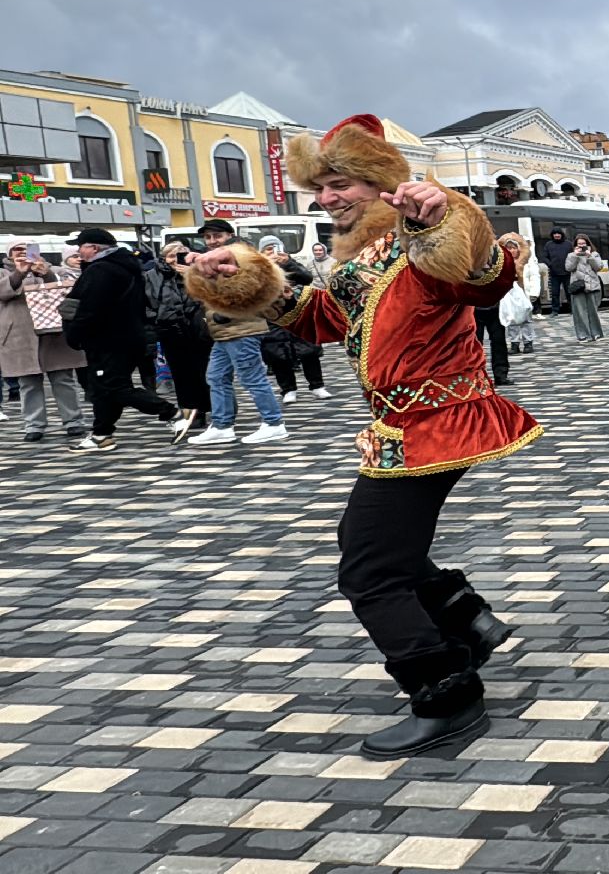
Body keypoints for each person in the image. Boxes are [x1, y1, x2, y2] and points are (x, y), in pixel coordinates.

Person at [187, 114, 540, 758]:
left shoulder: (418, 243)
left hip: (440, 425)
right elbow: (321, 321)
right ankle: (465, 619)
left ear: (381, 184)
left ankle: (445, 691)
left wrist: (443, 218)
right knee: (368, 544)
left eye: (339, 184)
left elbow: (482, 280)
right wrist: (241, 279)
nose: (326, 200)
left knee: (369, 569)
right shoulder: (361, 260)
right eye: (319, 189)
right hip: (402, 427)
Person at [64, 227, 180, 451]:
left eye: (81, 246)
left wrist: (74, 334)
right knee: (102, 389)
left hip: (108, 339)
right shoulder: (126, 266)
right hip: (127, 336)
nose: (79, 251)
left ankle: (172, 412)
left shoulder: (101, 271)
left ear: (94, 248)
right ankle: (101, 434)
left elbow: (90, 308)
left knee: (115, 387)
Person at [188, 242, 288, 446]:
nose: (212, 240)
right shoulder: (214, 261)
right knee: (216, 377)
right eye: (208, 236)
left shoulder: (244, 259)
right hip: (223, 332)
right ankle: (222, 425)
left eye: (217, 235)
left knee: (252, 378)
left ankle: (274, 422)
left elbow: (253, 290)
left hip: (243, 331)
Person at [0, 242, 87, 442]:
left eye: (26, 249)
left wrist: (45, 274)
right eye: (17, 250)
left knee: (63, 379)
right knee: (28, 383)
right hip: (19, 336)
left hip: (53, 332)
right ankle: (34, 425)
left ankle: (74, 422)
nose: (22, 253)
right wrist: (19, 274)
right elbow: (3, 293)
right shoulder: (3, 273)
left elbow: (65, 290)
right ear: (9, 254)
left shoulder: (53, 269)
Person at [147, 243, 213, 442]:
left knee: (204, 371)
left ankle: (211, 408)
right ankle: (191, 411)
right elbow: (149, 300)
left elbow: (209, 295)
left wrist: (190, 276)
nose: (176, 260)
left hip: (198, 328)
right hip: (170, 329)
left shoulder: (199, 272)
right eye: (172, 256)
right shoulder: (152, 275)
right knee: (181, 374)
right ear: (163, 257)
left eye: (181, 255)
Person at [258, 236, 334, 403]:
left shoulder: (290, 262)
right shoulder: (257, 267)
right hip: (273, 315)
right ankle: (288, 390)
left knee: (308, 350)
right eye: (268, 249)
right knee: (278, 354)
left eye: (275, 247)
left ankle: (317, 386)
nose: (273, 252)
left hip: (298, 311)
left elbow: (306, 278)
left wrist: (288, 263)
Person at [499, 234, 538, 356]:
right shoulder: (502, 264)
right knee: (512, 318)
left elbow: (534, 278)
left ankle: (528, 342)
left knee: (526, 319)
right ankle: (514, 342)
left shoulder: (528, 264)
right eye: (508, 248)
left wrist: (534, 292)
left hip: (524, 294)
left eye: (513, 248)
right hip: (509, 295)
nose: (511, 250)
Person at [564, 235, 606, 342]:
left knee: (593, 311)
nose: (582, 246)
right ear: (575, 245)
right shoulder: (571, 255)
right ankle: (583, 334)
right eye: (579, 244)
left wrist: (589, 256)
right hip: (578, 287)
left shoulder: (594, 254)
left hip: (592, 286)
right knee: (580, 312)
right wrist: (575, 255)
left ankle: (596, 333)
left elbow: (599, 267)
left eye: (584, 244)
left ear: (588, 244)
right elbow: (568, 268)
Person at [538, 229, 572, 316]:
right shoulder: (549, 244)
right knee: (554, 293)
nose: (557, 235)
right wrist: (550, 265)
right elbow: (544, 257)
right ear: (552, 235)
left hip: (567, 273)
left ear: (562, 234)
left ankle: (573, 309)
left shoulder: (568, 244)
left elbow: (573, 256)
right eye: (555, 234)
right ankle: (555, 311)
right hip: (554, 273)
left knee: (569, 292)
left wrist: (571, 265)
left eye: (558, 233)